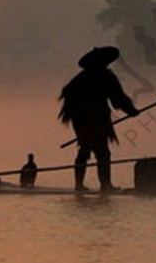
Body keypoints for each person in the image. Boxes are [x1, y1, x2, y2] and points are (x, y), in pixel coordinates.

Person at [58, 46, 141, 191]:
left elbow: (116, 98)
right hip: (94, 119)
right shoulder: (105, 76)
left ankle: (80, 185)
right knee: (102, 152)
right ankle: (105, 185)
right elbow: (118, 98)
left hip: (82, 119)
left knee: (85, 149)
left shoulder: (80, 78)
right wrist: (131, 110)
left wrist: (130, 110)